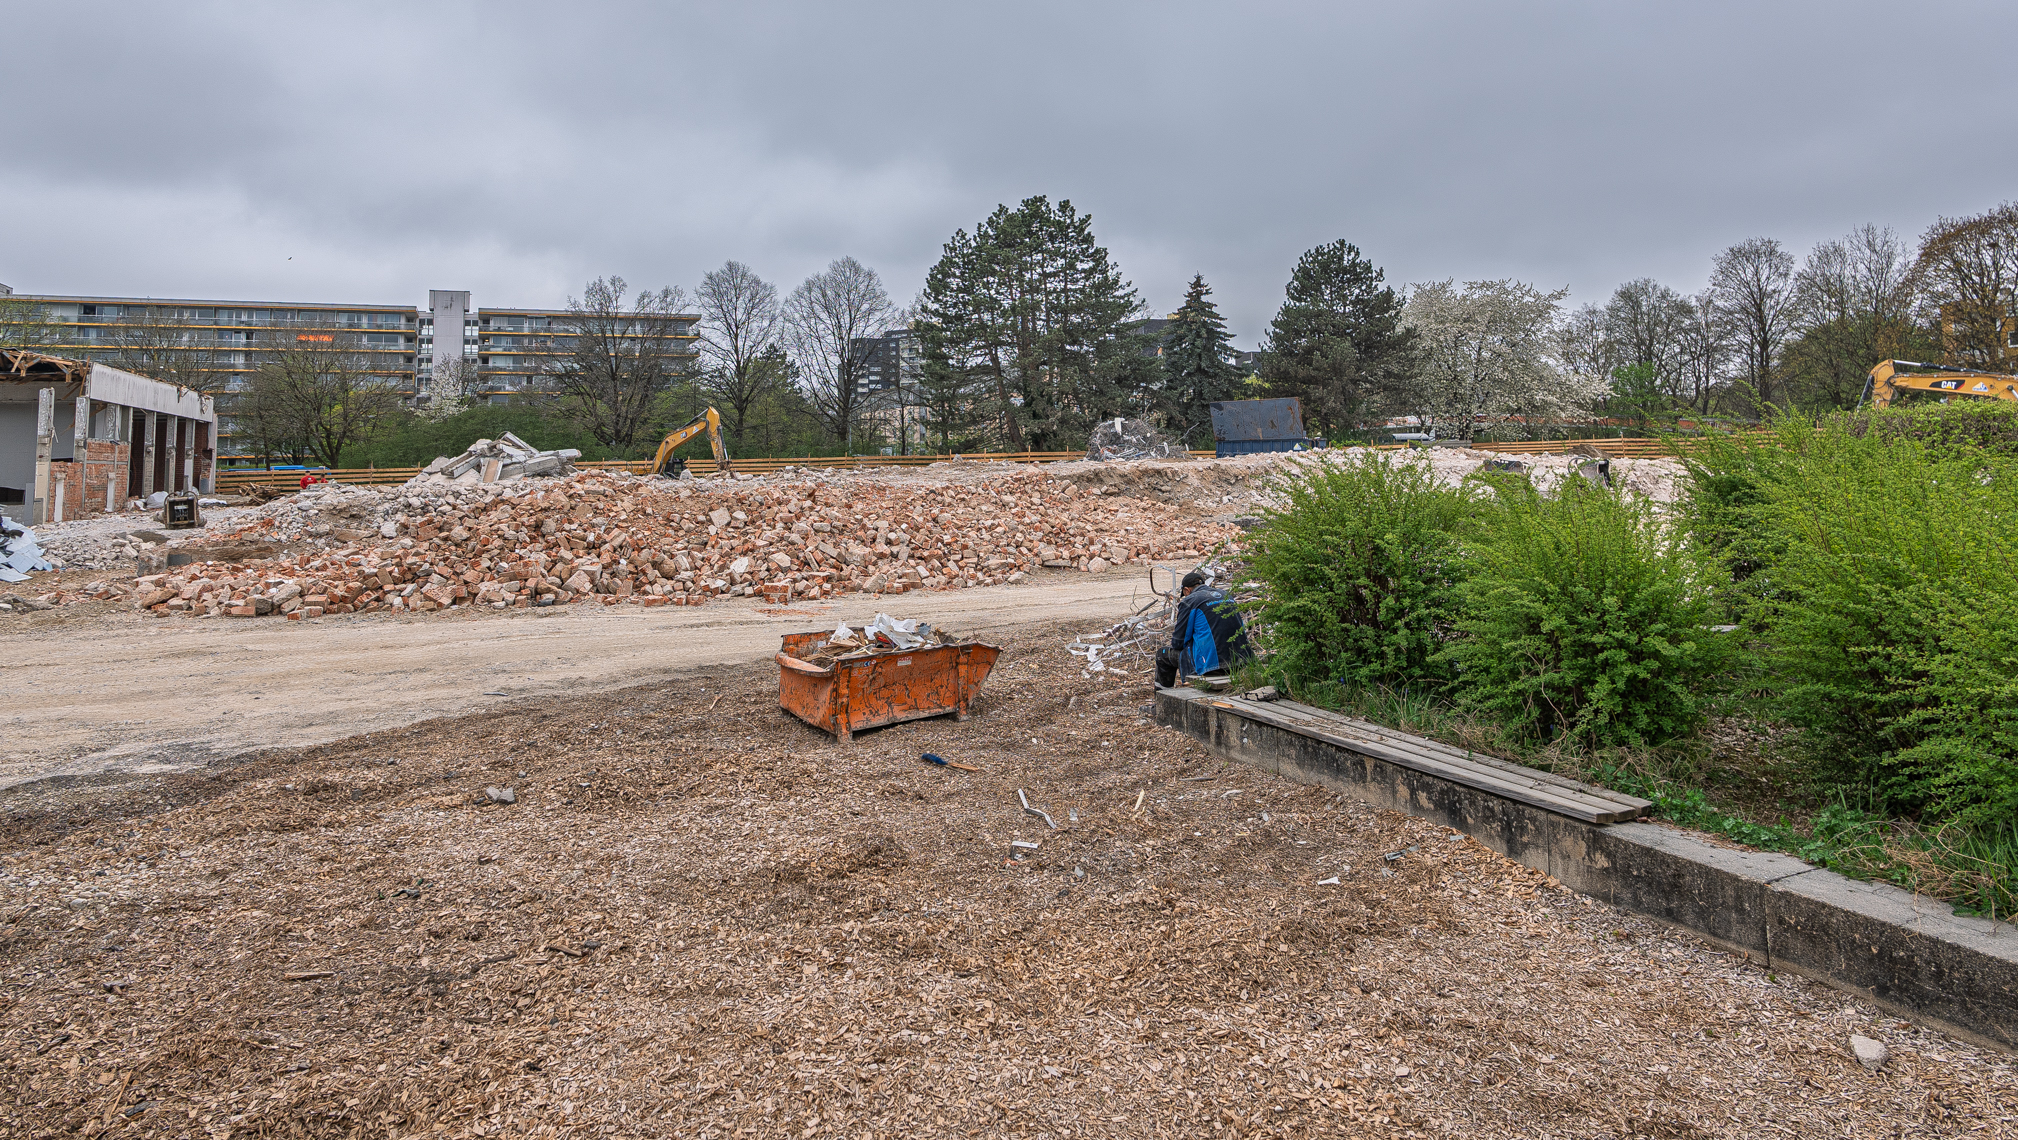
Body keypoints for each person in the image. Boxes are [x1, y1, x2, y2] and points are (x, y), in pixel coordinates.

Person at [1155, 571, 1250, 687]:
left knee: (1162, 655)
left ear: (1186, 590)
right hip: (1242, 661)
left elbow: (1178, 642)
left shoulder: (1189, 601)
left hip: (1212, 665)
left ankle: (1161, 703)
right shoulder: (1227, 596)